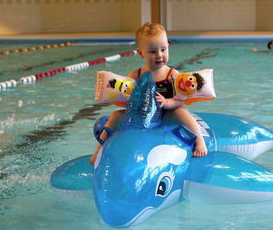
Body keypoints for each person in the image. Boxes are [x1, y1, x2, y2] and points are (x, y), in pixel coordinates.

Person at [89, 22, 208, 164]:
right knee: (116, 115)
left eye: (163, 49)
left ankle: (200, 140)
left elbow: (180, 99)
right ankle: (99, 150)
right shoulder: (135, 75)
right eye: (153, 52)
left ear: (168, 47)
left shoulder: (172, 75)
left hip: (166, 115)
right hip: (142, 117)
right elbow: (127, 98)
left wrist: (168, 103)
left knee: (181, 111)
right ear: (141, 53)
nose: (159, 55)